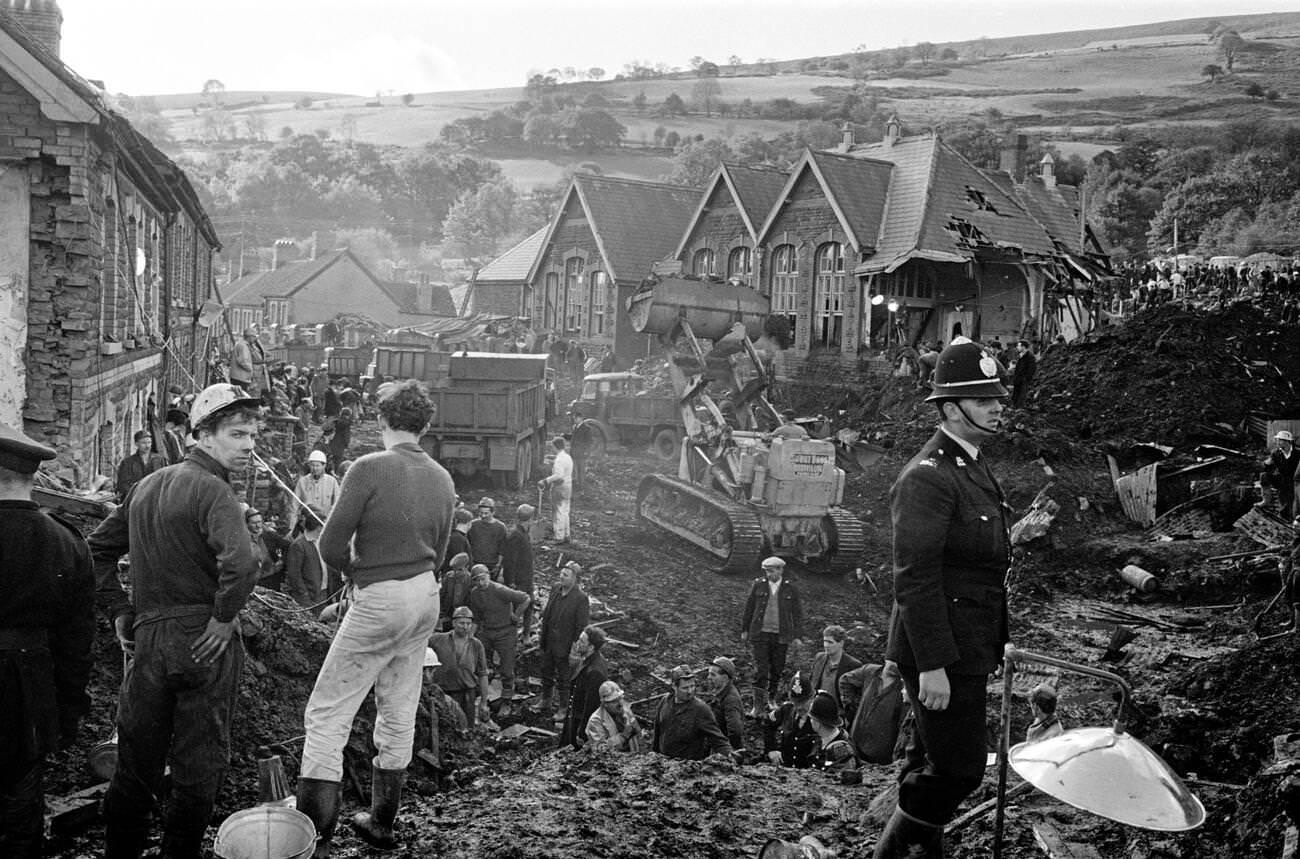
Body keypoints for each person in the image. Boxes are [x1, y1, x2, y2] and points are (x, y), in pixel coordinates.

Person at [88, 383, 262, 859]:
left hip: (148, 642)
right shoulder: (214, 489)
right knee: (199, 765)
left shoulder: (145, 487)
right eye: (237, 434)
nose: (248, 445)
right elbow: (242, 565)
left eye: (252, 435)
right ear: (203, 435)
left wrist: (121, 613)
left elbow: (96, 552)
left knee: (136, 762)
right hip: (203, 639)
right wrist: (225, 618)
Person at [296, 379, 456, 855]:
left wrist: (356, 571)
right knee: (399, 706)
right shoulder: (444, 479)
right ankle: (382, 821)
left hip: (381, 596)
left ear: (382, 420)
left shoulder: (368, 467)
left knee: (327, 711)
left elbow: (328, 546)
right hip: (425, 596)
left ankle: (315, 837)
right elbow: (441, 554)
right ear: (426, 426)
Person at [874, 337, 1012, 859]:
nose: (998, 407)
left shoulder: (971, 464)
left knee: (929, 758)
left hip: (968, 643)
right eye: (984, 401)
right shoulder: (926, 478)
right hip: (943, 651)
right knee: (959, 771)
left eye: (997, 398)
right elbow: (914, 577)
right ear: (951, 409)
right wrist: (931, 664)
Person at [0, 424, 95, 859]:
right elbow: (76, 643)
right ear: (30, 476)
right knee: (22, 794)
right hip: (30, 689)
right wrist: (69, 710)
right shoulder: (66, 541)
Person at [740, 556, 803, 717]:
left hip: (781, 636)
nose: (768, 574)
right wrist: (745, 629)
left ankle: (772, 699)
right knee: (761, 670)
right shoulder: (758, 585)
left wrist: (797, 636)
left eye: (772, 571)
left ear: (781, 570)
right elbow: (749, 608)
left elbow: (797, 614)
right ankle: (757, 706)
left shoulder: (791, 589)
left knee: (777, 668)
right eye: (766, 571)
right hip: (760, 634)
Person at [467, 563, 530, 719]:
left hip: (505, 632)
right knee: (478, 662)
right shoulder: (475, 594)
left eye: (483, 579)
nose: (481, 583)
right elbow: (476, 617)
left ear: (489, 576)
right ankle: (480, 695)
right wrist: (469, 638)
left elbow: (525, 598)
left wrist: (516, 615)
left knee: (507, 669)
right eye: (477, 580)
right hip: (487, 632)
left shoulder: (499, 590)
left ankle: (506, 701)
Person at [535, 560, 589, 720]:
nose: (561, 576)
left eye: (566, 575)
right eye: (561, 574)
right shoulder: (556, 589)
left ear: (575, 579)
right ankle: (546, 700)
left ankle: (563, 708)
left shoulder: (580, 598)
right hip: (549, 641)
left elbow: (581, 626)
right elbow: (548, 613)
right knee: (546, 671)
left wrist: (574, 649)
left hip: (565, 646)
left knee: (564, 679)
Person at [651, 665, 733, 761]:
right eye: (685, 688)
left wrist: (730, 754)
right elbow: (657, 731)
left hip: (687, 767)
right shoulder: (665, 701)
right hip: (663, 763)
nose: (690, 691)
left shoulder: (701, 709)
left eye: (692, 686)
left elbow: (717, 739)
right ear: (674, 686)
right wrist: (654, 754)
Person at [428, 606, 491, 727]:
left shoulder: (476, 645)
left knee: (466, 727)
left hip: (466, 694)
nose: (465, 627)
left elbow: (482, 674)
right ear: (454, 623)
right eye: (462, 623)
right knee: (444, 726)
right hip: (443, 693)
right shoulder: (437, 639)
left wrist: (483, 703)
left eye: (468, 623)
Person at [560, 624, 611, 749]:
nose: (577, 643)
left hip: (580, 721)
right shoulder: (588, 659)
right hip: (574, 715)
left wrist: (582, 733)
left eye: (582, 641)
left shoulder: (595, 672)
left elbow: (591, 707)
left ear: (591, 647)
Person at [285, 506, 340, 614]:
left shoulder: (321, 541)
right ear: (318, 526)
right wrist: (304, 597)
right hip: (309, 597)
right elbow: (294, 575)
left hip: (324, 593)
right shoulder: (299, 545)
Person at [763, 670, 818, 768]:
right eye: (796, 702)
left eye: (803, 702)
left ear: (812, 698)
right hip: (785, 772)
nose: (799, 707)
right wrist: (771, 749)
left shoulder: (820, 717)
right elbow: (768, 724)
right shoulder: (786, 710)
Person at [809, 624, 863, 720]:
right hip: (816, 713)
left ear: (841, 643)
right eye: (825, 641)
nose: (826, 645)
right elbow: (812, 683)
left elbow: (856, 699)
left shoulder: (853, 665)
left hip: (839, 717)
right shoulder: (819, 658)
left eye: (830, 642)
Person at [501, 504, 537, 638]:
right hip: (519, 581)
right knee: (517, 610)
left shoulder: (523, 533)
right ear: (530, 518)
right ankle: (511, 637)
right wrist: (510, 582)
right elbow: (510, 561)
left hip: (527, 579)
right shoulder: (516, 535)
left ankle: (526, 635)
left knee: (530, 606)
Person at [808, 690, 858, 774]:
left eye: (812, 719)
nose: (811, 721)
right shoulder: (821, 740)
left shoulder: (841, 749)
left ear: (818, 723)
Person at [289, 449, 340, 533]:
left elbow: (337, 505)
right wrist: (291, 529)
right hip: (306, 527)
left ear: (324, 466)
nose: (315, 468)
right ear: (309, 465)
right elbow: (294, 507)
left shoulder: (332, 482)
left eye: (317, 465)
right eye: (312, 465)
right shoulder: (302, 482)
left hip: (324, 526)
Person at [586, 680, 642, 752]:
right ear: (605, 704)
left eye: (620, 699)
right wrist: (623, 736)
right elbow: (600, 750)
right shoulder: (595, 720)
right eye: (614, 701)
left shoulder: (625, 709)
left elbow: (639, 736)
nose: (620, 704)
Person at [706, 655, 746, 752]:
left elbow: (735, 730)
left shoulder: (730, 699)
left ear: (724, 678)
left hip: (723, 752)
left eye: (713, 675)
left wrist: (728, 751)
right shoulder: (720, 693)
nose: (709, 677)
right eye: (709, 674)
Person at [115, 429, 167, 501]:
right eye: (144, 443)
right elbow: (123, 485)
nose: (147, 446)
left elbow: (164, 479)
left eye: (149, 442)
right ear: (136, 444)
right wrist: (137, 495)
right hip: (135, 499)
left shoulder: (159, 460)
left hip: (155, 499)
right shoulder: (127, 463)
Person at [539, 436, 574, 544]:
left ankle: (559, 537)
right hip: (568, 486)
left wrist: (545, 481)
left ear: (556, 446)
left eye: (552, 446)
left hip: (560, 487)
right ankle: (567, 535)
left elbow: (558, 475)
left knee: (558, 511)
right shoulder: (568, 457)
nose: (551, 449)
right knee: (565, 511)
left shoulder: (559, 460)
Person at [1263, 429, 1300, 517]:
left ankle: (1293, 517)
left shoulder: (1298, 453)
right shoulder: (1275, 453)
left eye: (1280, 440)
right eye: (1277, 440)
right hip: (1282, 479)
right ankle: (1266, 501)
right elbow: (1268, 468)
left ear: (1287, 442)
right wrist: (1266, 464)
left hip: (1296, 480)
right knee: (1263, 476)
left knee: (1294, 500)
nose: (1277, 442)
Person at [246, 507, 283, 592]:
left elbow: (286, 547)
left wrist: (281, 560)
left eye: (259, 522)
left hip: (271, 580)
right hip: (252, 583)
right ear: (247, 524)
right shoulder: (243, 540)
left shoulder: (270, 536)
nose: (258, 525)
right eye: (254, 523)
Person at [468, 497, 509, 573]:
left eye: (486, 513)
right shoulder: (473, 525)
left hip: (492, 564)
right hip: (475, 563)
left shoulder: (500, 527)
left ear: (493, 512)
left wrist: (498, 564)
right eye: (481, 513)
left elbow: (502, 548)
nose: (483, 515)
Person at [230, 325, 265, 396]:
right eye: (254, 337)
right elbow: (243, 361)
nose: (255, 339)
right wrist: (251, 369)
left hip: (240, 377)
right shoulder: (243, 346)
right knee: (242, 396)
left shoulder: (244, 345)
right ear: (250, 337)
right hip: (240, 378)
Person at [443, 508, 474, 575]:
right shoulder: (458, 538)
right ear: (469, 523)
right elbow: (460, 561)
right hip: (455, 577)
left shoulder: (457, 536)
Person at [1010, 339, 1037, 409]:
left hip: (1023, 380)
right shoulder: (1021, 356)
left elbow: (1031, 370)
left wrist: (1025, 378)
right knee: (1016, 394)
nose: (1017, 347)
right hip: (1018, 379)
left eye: (1019, 346)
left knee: (1022, 395)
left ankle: (1019, 409)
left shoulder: (1030, 357)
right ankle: (1014, 407)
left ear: (1023, 347)